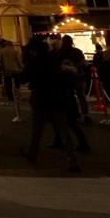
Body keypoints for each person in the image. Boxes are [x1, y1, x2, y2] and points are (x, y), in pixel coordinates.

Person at [20, 37, 81, 172]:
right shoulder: (54, 60)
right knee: (63, 131)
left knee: (36, 131)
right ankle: (72, 160)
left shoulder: (34, 62)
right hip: (57, 99)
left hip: (40, 100)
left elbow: (23, 78)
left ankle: (32, 154)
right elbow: (64, 74)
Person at [0, 40, 23, 105]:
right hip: (15, 69)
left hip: (7, 70)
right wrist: (21, 67)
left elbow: (0, 61)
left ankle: (10, 96)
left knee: (8, 84)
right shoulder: (15, 51)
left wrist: (2, 68)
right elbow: (18, 60)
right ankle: (17, 94)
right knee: (17, 83)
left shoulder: (2, 51)